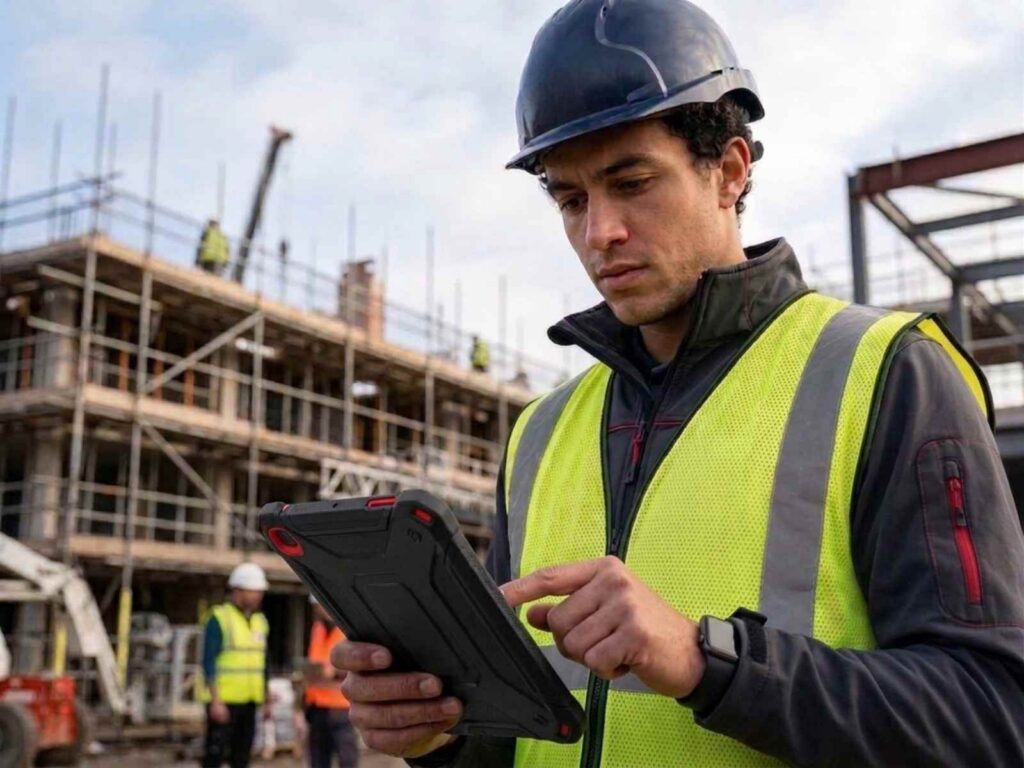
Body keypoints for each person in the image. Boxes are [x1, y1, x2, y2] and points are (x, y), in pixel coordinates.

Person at [331, 1, 1024, 766]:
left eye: (632, 183)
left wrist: (707, 662)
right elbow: (519, 741)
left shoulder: (887, 374)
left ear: (729, 171)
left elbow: (992, 717)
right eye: (570, 199)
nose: (600, 233)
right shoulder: (541, 434)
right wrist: (439, 732)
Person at [200, 563, 270, 768]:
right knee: (215, 755)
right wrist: (215, 701)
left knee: (242, 757)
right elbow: (208, 661)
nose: (258, 596)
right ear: (237, 590)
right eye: (254, 591)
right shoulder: (220, 618)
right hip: (224, 701)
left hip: (249, 701)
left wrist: (266, 698)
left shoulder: (260, 621)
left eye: (260, 592)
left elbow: (263, 662)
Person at [304, 597, 359, 768]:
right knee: (318, 758)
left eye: (318, 605)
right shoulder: (317, 629)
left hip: (341, 707)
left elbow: (360, 665)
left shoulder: (348, 631)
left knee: (346, 758)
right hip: (317, 706)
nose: (317, 610)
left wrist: (335, 672)